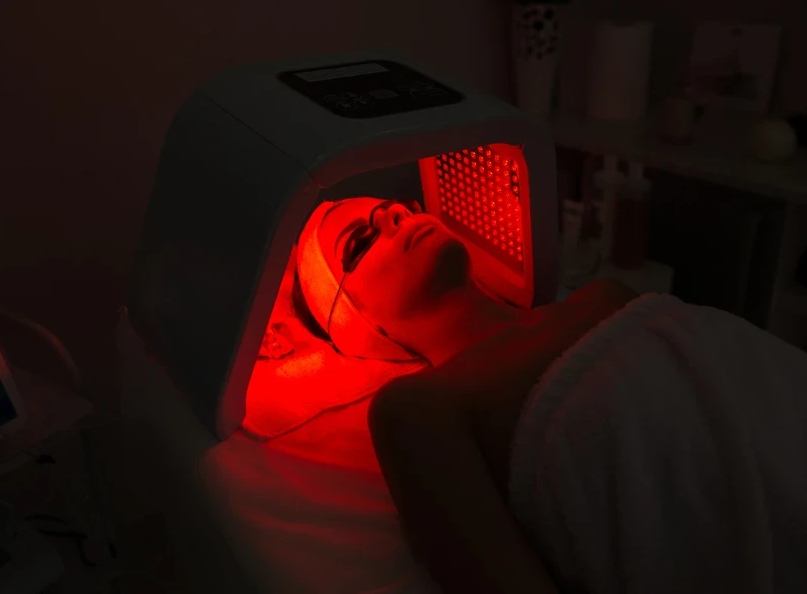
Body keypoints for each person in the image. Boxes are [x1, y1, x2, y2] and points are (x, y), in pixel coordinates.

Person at [296, 196, 807, 594]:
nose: (399, 220)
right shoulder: (419, 410)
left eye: (400, 211)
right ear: (356, 324)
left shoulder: (602, 295)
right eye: (360, 241)